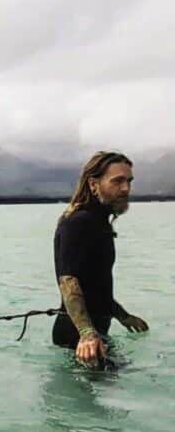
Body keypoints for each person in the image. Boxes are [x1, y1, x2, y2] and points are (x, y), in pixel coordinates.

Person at [53, 151, 149, 367]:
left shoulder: (99, 222)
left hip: (92, 333)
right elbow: (68, 281)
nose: (126, 188)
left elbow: (95, 286)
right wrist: (87, 333)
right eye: (117, 181)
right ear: (93, 184)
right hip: (77, 338)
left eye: (129, 181)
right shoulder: (78, 222)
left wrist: (123, 316)